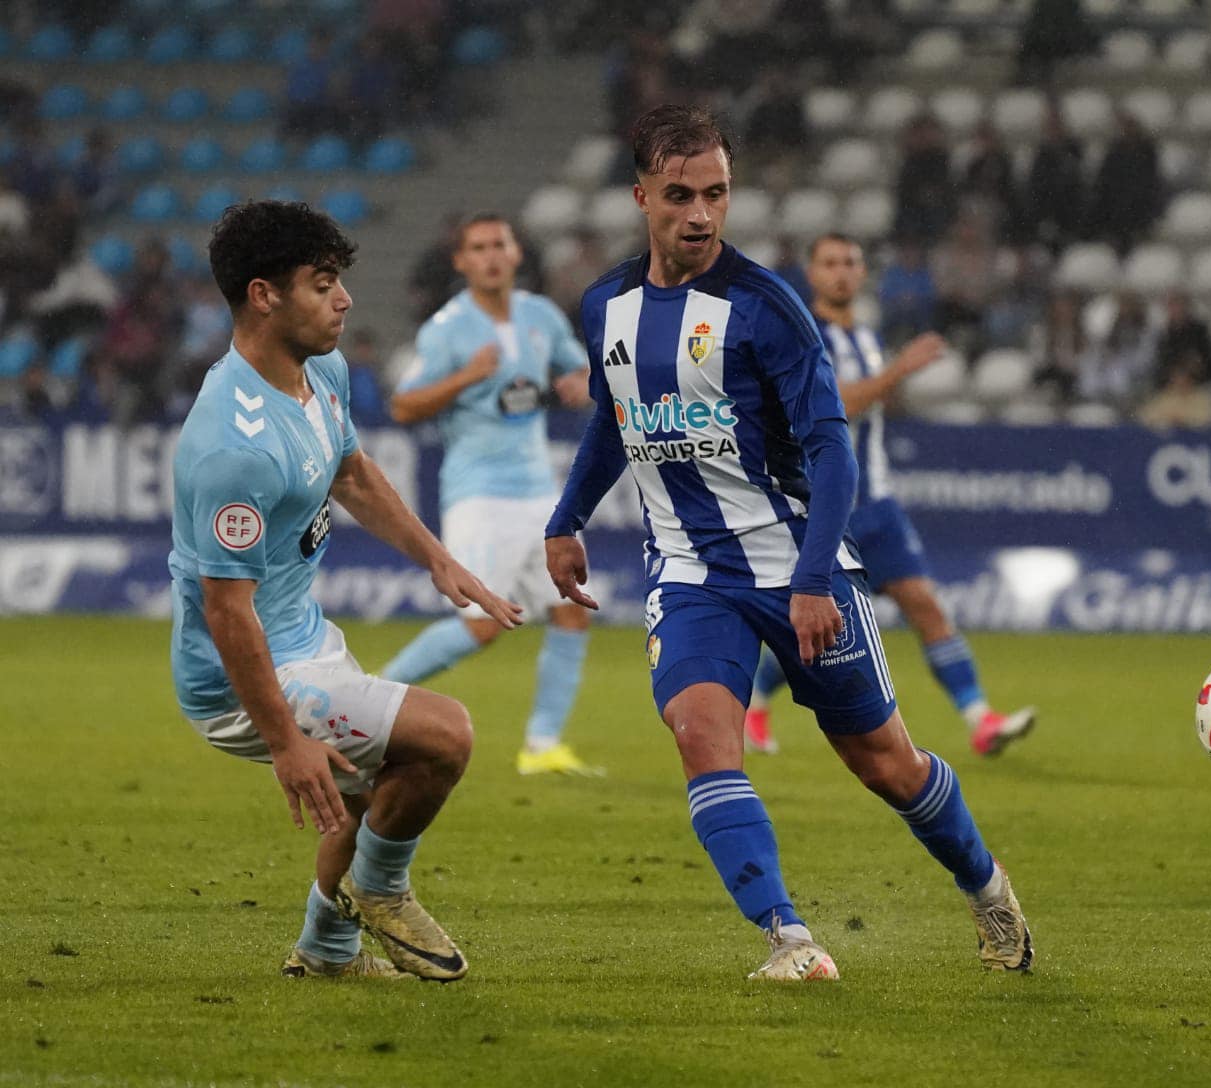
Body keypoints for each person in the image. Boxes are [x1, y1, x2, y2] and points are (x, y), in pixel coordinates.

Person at [544, 105, 1032, 980]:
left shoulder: (766, 307)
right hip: (690, 575)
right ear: (641, 196)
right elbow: (615, 422)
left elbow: (832, 452)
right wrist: (566, 519)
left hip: (798, 569)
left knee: (888, 766)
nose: (700, 214)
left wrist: (814, 578)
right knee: (701, 733)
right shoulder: (605, 306)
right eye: (681, 195)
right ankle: (790, 937)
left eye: (717, 194)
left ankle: (988, 889)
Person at [169, 200, 522, 981]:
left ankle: (327, 952)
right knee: (445, 736)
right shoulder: (233, 445)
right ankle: (379, 886)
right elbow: (227, 616)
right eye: (323, 283)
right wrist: (288, 742)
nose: (345, 299)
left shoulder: (319, 369)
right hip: (238, 678)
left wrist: (437, 558)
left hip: (305, 638)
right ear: (264, 296)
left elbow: (352, 471)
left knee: (373, 781)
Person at [742, 233, 1036, 758]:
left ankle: (980, 720)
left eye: (850, 263)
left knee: (924, 605)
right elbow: (836, 407)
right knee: (823, 626)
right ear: (811, 274)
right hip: (828, 508)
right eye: (829, 263)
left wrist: (890, 373)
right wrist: (898, 371)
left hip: (877, 503)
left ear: (862, 274)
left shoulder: (867, 338)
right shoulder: (806, 336)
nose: (841, 272)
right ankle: (755, 705)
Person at [381, 213, 598, 776]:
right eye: (477, 247)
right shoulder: (447, 328)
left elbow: (579, 375)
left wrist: (578, 384)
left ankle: (542, 745)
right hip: (480, 493)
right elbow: (404, 406)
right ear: (462, 262)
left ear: (516, 252)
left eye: (499, 244)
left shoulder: (540, 315)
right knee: (482, 623)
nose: (491, 255)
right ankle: (369, 701)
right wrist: (466, 377)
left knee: (571, 611)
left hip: (539, 492)